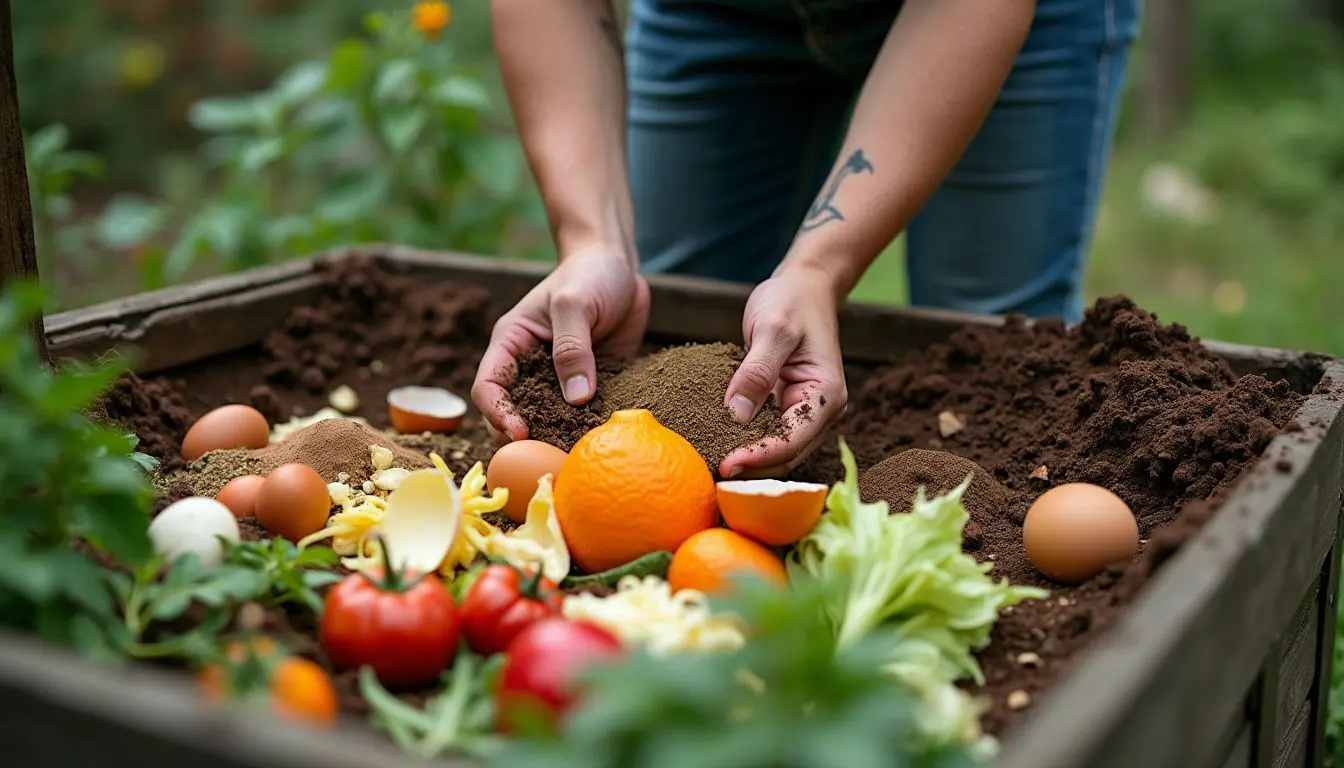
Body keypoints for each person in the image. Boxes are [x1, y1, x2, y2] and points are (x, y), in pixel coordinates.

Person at [472, 0, 1140, 479]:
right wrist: (594, 240)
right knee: (681, 314)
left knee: (995, 358)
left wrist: (818, 268)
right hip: (715, 13)